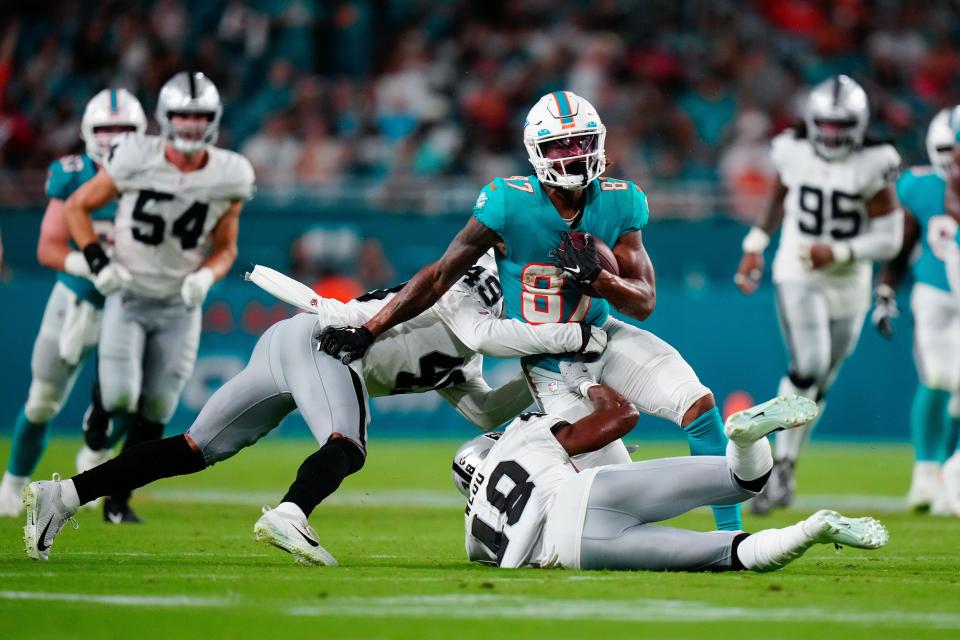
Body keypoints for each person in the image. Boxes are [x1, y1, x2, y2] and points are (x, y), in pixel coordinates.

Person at [317, 90, 744, 531]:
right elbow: (442, 275)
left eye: (582, 141)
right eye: (562, 145)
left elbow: (644, 302)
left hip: (602, 333)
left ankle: (732, 535)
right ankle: (508, 451)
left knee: (699, 405)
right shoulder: (507, 202)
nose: (575, 154)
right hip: (549, 361)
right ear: (537, 152)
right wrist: (369, 329)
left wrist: (601, 280)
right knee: (614, 490)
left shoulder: (622, 200)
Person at [22, 254, 608, 563]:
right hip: (324, 344)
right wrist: (565, 342)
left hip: (292, 342)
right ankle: (290, 513)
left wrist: (533, 385)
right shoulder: (472, 284)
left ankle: (64, 496)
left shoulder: (479, 340)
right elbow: (481, 333)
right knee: (347, 445)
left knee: (193, 450)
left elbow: (482, 411)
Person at [454, 367, 888, 571]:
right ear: (489, 445)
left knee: (729, 553)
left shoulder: (474, 534)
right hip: (585, 494)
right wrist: (584, 382)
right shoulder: (522, 435)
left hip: (572, 552)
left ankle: (811, 531)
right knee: (744, 480)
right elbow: (620, 417)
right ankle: (743, 438)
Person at [62, 71, 255, 523]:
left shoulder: (230, 172)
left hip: (179, 303)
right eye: (183, 116)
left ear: (214, 119)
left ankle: (118, 499)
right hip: (128, 293)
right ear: (165, 118)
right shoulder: (136, 156)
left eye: (199, 116)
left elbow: (226, 247)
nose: (190, 125)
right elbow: (78, 207)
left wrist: (206, 277)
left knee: (158, 409)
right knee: (122, 395)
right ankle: (99, 409)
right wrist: (97, 262)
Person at [734, 75, 903, 515]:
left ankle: (786, 464)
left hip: (850, 281)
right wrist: (754, 246)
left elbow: (890, 238)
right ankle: (769, 465)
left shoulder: (875, 160)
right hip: (798, 268)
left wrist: (842, 251)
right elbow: (780, 197)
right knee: (807, 366)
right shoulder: (791, 148)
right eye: (824, 125)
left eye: (840, 125)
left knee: (822, 380)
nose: (831, 134)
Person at [0, 89, 146, 517]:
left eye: (123, 128)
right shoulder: (74, 173)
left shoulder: (154, 175)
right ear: (88, 132)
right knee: (42, 399)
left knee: (131, 397)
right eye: (105, 128)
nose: (114, 136)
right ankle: (12, 484)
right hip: (78, 301)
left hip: (130, 304)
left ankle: (94, 447)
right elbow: (48, 248)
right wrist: (92, 266)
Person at [872, 108, 960, 513]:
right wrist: (886, 290)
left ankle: (947, 470)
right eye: (947, 147)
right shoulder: (920, 185)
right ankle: (928, 471)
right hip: (935, 292)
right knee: (938, 378)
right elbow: (902, 245)